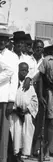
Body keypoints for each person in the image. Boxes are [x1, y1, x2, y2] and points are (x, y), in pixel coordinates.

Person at [10, 62, 38, 161]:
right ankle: (16, 152)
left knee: (27, 132)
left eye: (26, 70)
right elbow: (10, 97)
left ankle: (25, 152)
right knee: (16, 132)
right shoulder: (14, 83)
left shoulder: (30, 85)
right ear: (18, 70)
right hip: (15, 113)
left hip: (26, 113)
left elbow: (34, 100)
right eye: (22, 70)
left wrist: (28, 109)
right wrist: (15, 109)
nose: (24, 72)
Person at [0, 29, 19, 162]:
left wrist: (11, 100)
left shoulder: (12, 57)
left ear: (7, 42)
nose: (1, 41)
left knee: (3, 133)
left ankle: (3, 158)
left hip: (4, 97)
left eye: (4, 39)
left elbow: (14, 79)